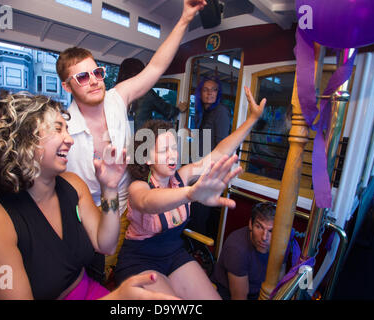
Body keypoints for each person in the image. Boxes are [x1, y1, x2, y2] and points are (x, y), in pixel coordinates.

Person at [0, 92, 178, 300]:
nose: (70, 139)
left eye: (66, 129)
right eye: (58, 129)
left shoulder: (73, 185)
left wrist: (110, 188)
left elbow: (106, 245)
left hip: (90, 290)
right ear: (23, 140)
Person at [56, 0, 208, 275]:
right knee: (93, 278)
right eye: (82, 77)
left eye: (97, 72)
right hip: (87, 222)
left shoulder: (116, 98)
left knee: (125, 278)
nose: (93, 80)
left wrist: (185, 19)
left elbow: (155, 67)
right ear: (67, 86)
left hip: (130, 211)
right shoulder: (61, 128)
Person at [114, 86, 266, 299]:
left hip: (175, 254)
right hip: (141, 260)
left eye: (174, 148)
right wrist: (190, 194)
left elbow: (220, 152)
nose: (172, 155)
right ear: (147, 158)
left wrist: (252, 119)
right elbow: (148, 201)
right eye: (164, 150)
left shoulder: (181, 176)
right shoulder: (138, 186)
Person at [188, 76, 233, 240]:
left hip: (208, 172)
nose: (210, 93)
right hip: (197, 168)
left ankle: (199, 253)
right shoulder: (202, 112)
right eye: (206, 89)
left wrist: (210, 172)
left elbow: (222, 146)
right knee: (192, 214)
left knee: (199, 217)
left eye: (214, 89)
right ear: (200, 93)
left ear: (218, 93)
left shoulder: (220, 111)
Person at [210, 201, 276, 300]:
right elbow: (239, 297)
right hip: (228, 294)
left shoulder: (281, 243)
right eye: (259, 227)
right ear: (250, 224)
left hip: (261, 293)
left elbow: (278, 282)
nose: (264, 237)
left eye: (271, 231)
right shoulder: (237, 249)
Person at [116, 58, 188, 131]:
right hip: (142, 139)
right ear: (141, 72)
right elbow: (168, 111)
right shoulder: (146, 93)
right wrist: (178, 109)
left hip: (120, 138)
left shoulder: (115, 92)